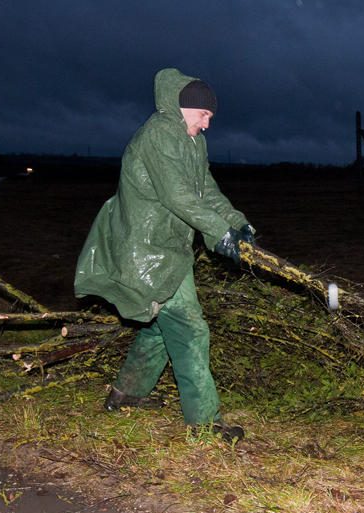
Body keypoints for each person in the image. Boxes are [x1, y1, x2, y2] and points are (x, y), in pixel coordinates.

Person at [74, 67, 254, 442]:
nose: (207, 125)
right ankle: (204, 425)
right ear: (186, 107)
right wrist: (217, 233)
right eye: (204, 115)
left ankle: (126, 394)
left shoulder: (192, 142)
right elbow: (176, 195)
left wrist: (236, 224)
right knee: (190, 328)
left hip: (169, 248)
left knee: (160, 327)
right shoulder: (159, 133)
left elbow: (206, 189)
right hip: (144, 249)